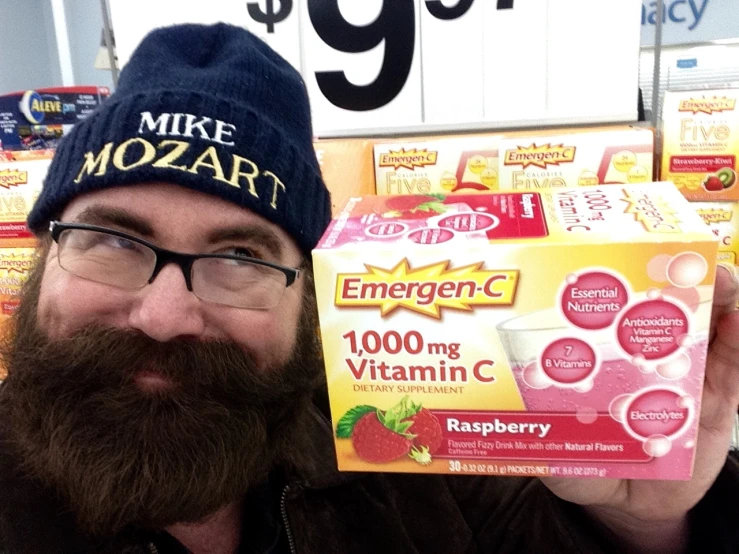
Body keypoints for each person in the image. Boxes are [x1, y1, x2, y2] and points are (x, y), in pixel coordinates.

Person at [0, 23, 737, 554]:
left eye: (242, 259)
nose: (164, 315)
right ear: (42, 256)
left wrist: (643, 525)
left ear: (308, 300)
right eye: (114, 242)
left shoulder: (411, 450)